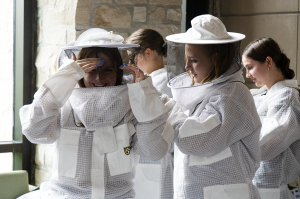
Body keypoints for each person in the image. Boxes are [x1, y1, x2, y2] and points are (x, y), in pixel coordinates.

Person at [18, 28, 174, 199]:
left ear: (118, 71)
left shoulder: (132, 105)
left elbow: (153, 151)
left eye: (107, 70)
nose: (99, 78)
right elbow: (35, 131)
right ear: (78, 71)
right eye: (92, 70)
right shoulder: (64, 103)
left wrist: (145, 99)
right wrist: (62, 80)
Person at [166, 14, 262, 199]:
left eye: (194, 60)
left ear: (216, 58)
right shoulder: (209, 92)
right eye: (187, 59)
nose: (187, 67)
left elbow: (193, 139)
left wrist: (167, 108)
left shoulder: (230, 95)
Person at [242, 37, 300, 199]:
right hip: (256, 185)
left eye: (250, 68)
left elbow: (266, 146)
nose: (247, 75)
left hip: (271, 188)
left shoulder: (286, 97)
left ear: (268, 62)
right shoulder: (263, 96)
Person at [126, 29, 173, 199]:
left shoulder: (162, 84)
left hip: (154, 155)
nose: (131, 63)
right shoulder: (161, 80)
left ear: (147, 53)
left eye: (132, 57)